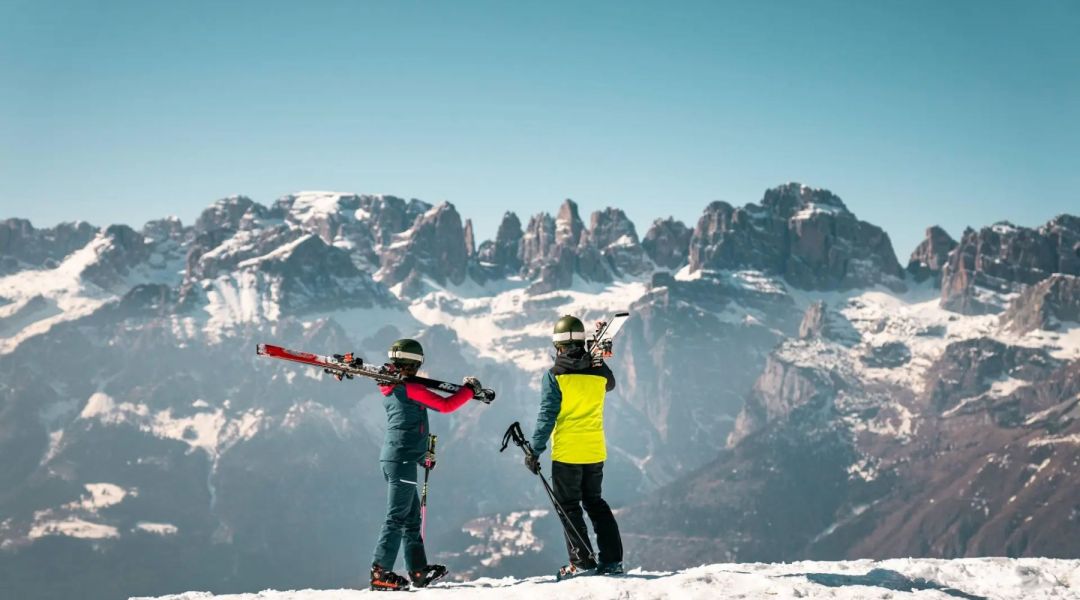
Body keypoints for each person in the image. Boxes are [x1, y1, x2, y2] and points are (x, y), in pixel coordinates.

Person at [368, 338, 484, 591]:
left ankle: (418, 571)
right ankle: (380, 573)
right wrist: (469, 390)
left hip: (400, 457)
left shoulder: (393, 387)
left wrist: (421, 456)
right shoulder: (408, 388)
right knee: (397, 517)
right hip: (402, 459)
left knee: (411, 518)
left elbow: (407, 426)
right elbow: (445, 405)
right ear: (414, 363)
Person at [527, 315, 624, 578]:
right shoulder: (599, 373)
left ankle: (582, 562)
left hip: (567, 452)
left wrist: (535, 450)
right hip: (594, 450)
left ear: (557, 346)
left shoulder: (554, 376)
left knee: (569, 507)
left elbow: (547, 415)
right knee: (595, 503)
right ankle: (612, 561)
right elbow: (611, 384)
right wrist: (597, 358)